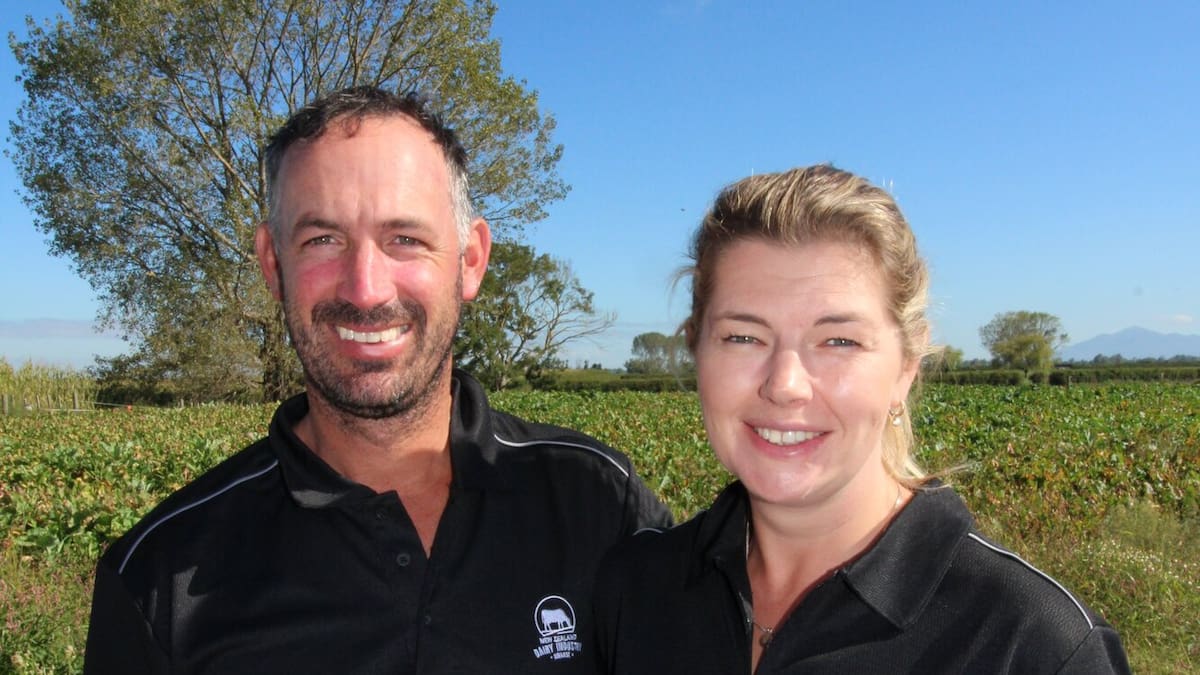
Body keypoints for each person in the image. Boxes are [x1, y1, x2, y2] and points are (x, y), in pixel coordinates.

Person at [83, 85, 671, 674]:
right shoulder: (157, 579)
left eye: (405, 240)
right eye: (322, 240)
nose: (365, 289)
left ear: (470, 262)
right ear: (272, 264)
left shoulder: (600, 504)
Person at [593, 165, 1130, 674]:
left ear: (905, 369)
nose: (784, 383)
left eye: (839, 341)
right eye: (743, 337)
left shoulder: (1032, 644)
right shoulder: (635, 590)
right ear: (697, 351)